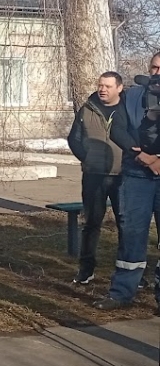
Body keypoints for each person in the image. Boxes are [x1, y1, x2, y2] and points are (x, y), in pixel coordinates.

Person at [97, 53, 160, 312]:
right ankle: (121, 293)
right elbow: (117, 128)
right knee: (132, 233)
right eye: (154, 67)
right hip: (136, 174)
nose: (157, 73)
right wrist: (144, 157)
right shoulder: (133, 95)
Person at [67, 71, 125, 285]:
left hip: (122, 176)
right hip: (93, 176)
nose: (103, 89)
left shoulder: (128, 109)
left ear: (119, 88)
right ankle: (86, 270)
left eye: (108, 86)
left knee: (125, 225)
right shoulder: (87, 109)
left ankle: (128, 272)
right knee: (91, 224)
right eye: (100, 85)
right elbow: (74, 138)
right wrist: (87, 157)